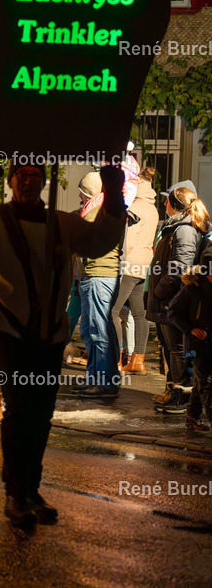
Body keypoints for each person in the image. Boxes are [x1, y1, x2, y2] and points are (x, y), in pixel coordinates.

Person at [0, 159, 125, 529]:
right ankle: (16, 493)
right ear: (13, 181)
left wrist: (113, 192)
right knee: (18, 411)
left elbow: (101, 240)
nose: (28, 181)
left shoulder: (63, 223)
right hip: (11, 330)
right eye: (22, 175)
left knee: (41, 415)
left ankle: (31, 489)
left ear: (44, 182)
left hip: (50, 333)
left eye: (35, 176)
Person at [147, 183, 209, 415]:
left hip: (171, 298)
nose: (164, 204)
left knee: (178, 350)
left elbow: (179, 267)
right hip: (168, 298)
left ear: (176, 205)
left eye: (168, 200)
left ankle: (183, 399)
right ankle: (177, 394)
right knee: (174, 350)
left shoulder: (184, 230)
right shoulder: (179, 227)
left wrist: (159, 291)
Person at [73, 171, 124, 398]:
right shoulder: (99, 209)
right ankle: (96, 378)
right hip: (94, 276)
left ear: (90, 193)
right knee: (90, 330)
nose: (81, 198)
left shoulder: (97, 212)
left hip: (97, 276)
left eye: (83, 194)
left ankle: (105, 383)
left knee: (98, 331)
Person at [113, 166, 158, 375]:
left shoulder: (135, 208)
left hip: (129, 264)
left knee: (112, 311)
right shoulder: (153, 208)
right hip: (144, 265)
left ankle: (115, 360)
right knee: (140, 314)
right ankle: (138, 361)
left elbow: (128, 241)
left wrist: (119, 262)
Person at [166, 258, 212, 432]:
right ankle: (199, 416)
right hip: (197, 344)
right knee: (205, 381)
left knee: (202, 383)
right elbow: (172, 313)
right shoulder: (191, 289)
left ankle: (193, 416)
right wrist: (191, 329)